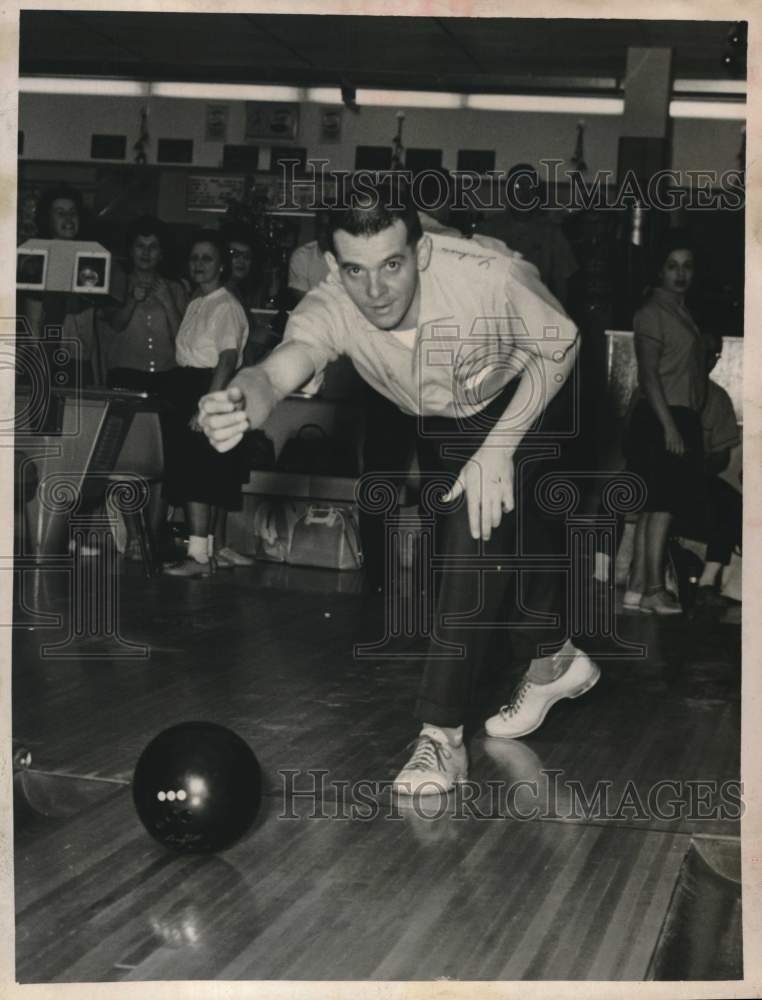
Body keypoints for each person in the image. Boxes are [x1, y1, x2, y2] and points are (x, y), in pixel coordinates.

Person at [198, 183, 599, 796]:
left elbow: (561, 340)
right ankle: (555, 657)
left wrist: (499, 449)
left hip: (532, 388)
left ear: (422, 250)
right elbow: (283, 366)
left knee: (477, 520)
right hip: (444, 411)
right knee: (476, 549)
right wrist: (239, 400)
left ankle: (440, 737)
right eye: (356, 271)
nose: (377, 290)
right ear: (334, 266)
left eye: (392, 264)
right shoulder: (332, 302)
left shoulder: (487, 271)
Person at [623, 231, 707, 615]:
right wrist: (670, 426)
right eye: (672, 266)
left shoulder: (681, 311)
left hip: (677, 416)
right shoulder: (651, 311)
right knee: (662, 507)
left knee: (654, 506)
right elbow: (649, 376)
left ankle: (637, 589)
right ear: (659, 270)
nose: (680, 274)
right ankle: (656, 589)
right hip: (662, 416)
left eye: (687, 266)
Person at [162, 230, 249, 578]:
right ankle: (205, 552)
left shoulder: (226, 305)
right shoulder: (199, 301)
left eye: (207, 258)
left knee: (198, 475)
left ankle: (198, 557)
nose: (199, 264)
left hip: (208, 387)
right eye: (194, 258)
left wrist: (207, 406)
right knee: (195, 473)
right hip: (189, 386)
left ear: (222, 265)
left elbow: (227, 360)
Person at [102, 215, 186, 392]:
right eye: (140, 246)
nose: (146, 253)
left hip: (168, 376)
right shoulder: (115, 283)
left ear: (161, 253)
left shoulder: (176, 288)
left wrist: (168, 303)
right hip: (124, 375)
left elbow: (183, 339)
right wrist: (132, 300)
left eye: (153, 247)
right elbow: (115, 325)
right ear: (131, 250)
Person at [477, 164, 578, 308]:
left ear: (537, 193)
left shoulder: (551, 233)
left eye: (530, 188)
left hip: (538, 309)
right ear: (508, 191)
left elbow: (563, 284)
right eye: (518, 187)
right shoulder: (488, 230)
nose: (524, 194)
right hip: (497, 309)